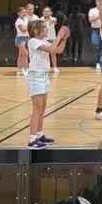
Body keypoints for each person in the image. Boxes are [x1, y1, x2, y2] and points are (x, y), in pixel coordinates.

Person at [26, 17, 69, 148]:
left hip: (44, 76)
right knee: (37, 108)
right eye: (44, 28)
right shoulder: (33, 41)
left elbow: (58, 50)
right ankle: (32, 140)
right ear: (35, 30)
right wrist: (60, 34)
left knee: (43, 107)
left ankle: (40, 134)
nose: (47, 30)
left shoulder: (43, 41)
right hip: (36, 76)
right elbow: (51, 50)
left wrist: (63, 39)